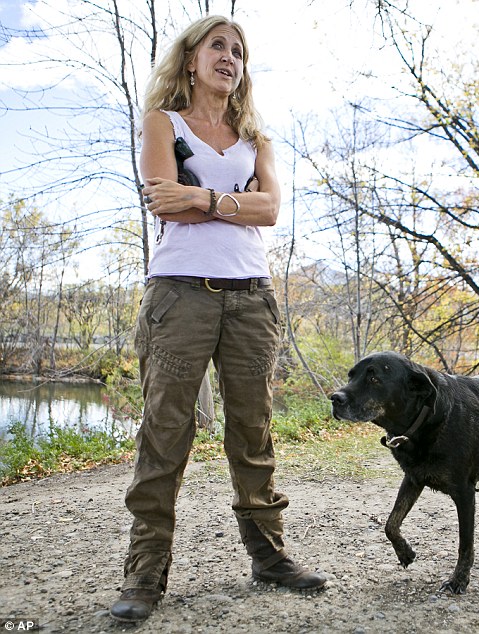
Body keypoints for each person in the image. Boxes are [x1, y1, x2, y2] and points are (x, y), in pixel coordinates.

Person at [110, 15, 326, 623]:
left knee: (252, 431)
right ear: (190, 59)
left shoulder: (259, 140)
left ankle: (270, 557)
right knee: (165, 431)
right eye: (217, 47)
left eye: (238, 51)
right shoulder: (164, 125)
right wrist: (234, 203)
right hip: (180, 296)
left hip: (252, 299)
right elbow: (161, 197)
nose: (229, 57)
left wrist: (201, 197)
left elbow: (271, 209)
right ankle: (145, 573)